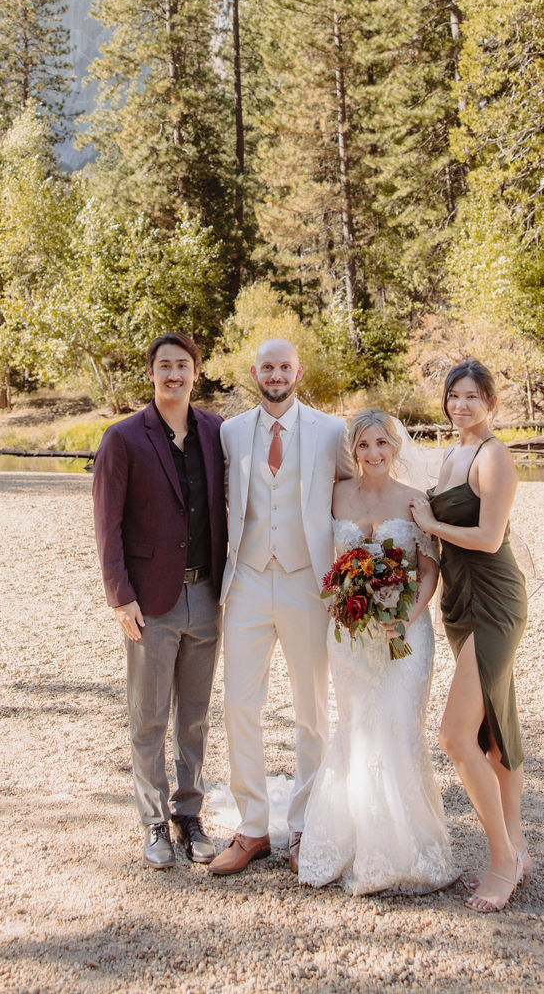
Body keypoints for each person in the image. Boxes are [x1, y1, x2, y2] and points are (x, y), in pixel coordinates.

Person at [207, 338, 356, 877]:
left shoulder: (331, 432)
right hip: (245, 578)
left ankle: (305, 825)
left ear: (298, 370)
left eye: (284, 366)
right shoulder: (229, 431)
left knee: (312, 710)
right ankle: (251, 828)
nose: (275, 375)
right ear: (254, 372)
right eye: (266, 367)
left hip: (306, 583)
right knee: (239, 704)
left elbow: (357, 488)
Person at [298, 409, 458, 896]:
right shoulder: (335, 495)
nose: (373, 455)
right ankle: (350, 842)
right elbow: (325, 561)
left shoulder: (414, 501)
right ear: (353, 448)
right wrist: (346, 601)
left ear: (395, 447)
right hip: (348, 635)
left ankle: (405, 848)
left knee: (398, 728)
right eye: (364, 445)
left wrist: (405, 616)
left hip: (403, 634)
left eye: (381, 445)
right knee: (357, 730)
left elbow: (429, 570)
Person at [92, 333, 227, 870]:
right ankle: (152, 821)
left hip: (208, 593)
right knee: (148, 717)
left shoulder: (217, 432)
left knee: (194, 717)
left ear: (197, 371)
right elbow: (107, 522)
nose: (174, 374)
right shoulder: (123, 437)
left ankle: (189, 814)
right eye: (165, 366)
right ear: (151, 373)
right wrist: (120, 596)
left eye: (183, 365)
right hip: (151, 601)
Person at [410, 359, 529, 913]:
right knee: (497, 731)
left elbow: (489, 535)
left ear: (490, 403)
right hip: (458, 601)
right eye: (454, 396)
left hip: (493, 601)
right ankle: (519, 846)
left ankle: (501, 860)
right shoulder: (451, 454)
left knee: (457, 737)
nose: (462, 405)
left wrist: (430, 525)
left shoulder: (493, 454)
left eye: (472, 396)